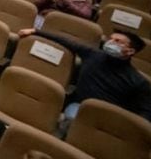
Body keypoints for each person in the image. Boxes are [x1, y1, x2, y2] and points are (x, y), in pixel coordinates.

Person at [18, 27, 151, 123]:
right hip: (79, 109)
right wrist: (36, 31)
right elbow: (68, 42)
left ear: (130, 51)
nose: (111, 43)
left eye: (117, 41)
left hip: (108, 121)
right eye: (110, 39)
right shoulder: (93, 55)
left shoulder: (138, 82)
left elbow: (143, 117)